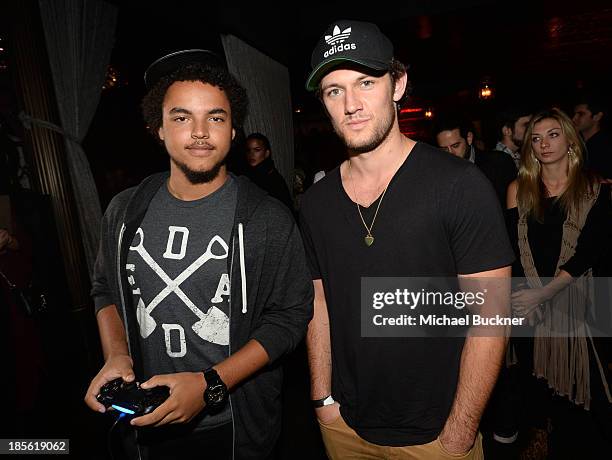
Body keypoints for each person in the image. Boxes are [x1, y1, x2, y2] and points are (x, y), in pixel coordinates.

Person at [84, 49, 313, 460]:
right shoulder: (122, 211)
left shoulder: (266, 218)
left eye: (216, 117)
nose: (200, 132)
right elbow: (105, 290)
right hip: (145, 423)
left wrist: (211, 384)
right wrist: (116, 354)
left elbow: (290, 318)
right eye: (182, 117)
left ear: (234, 130)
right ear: (158, 128)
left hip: (233, 427)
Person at [300, 20, 514, 459]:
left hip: (439, 434)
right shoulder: (315, 203)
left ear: (397, 84)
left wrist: (459, 432)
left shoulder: (460, 185)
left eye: (365, 82)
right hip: (345, 426)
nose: (351, 104)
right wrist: (323, 401)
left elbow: (490, 319)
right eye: (334, 90)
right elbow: (317, 304)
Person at [506, 107, 612, 458]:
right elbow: (512, 251)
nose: (544, 144)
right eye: (536, 139)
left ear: (569, 138)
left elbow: (589, 253)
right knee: (535, 391)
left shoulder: (595, 188)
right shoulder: (518, 189)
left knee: (589, 399)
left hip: (582, 303)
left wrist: (545, 294)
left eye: (553, 134)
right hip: (527, 305)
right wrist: (526, 300)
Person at [434, 114, 517, 206]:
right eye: (444, 149)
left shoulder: (499, 163)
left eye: (455, 146)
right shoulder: (438, 176)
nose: (450, 153)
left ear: (469, 138)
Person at [244, 132, 293, 210]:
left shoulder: (272, 179)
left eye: (257, 150)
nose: (251, 154)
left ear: (266, 153)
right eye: (248, 150)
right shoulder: (248, 177)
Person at [572, 92, 612, 180]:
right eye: (574, 114)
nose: (574, 118)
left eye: (581, 114)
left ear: (597, 117)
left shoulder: (606, 147)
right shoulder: (577, 144)